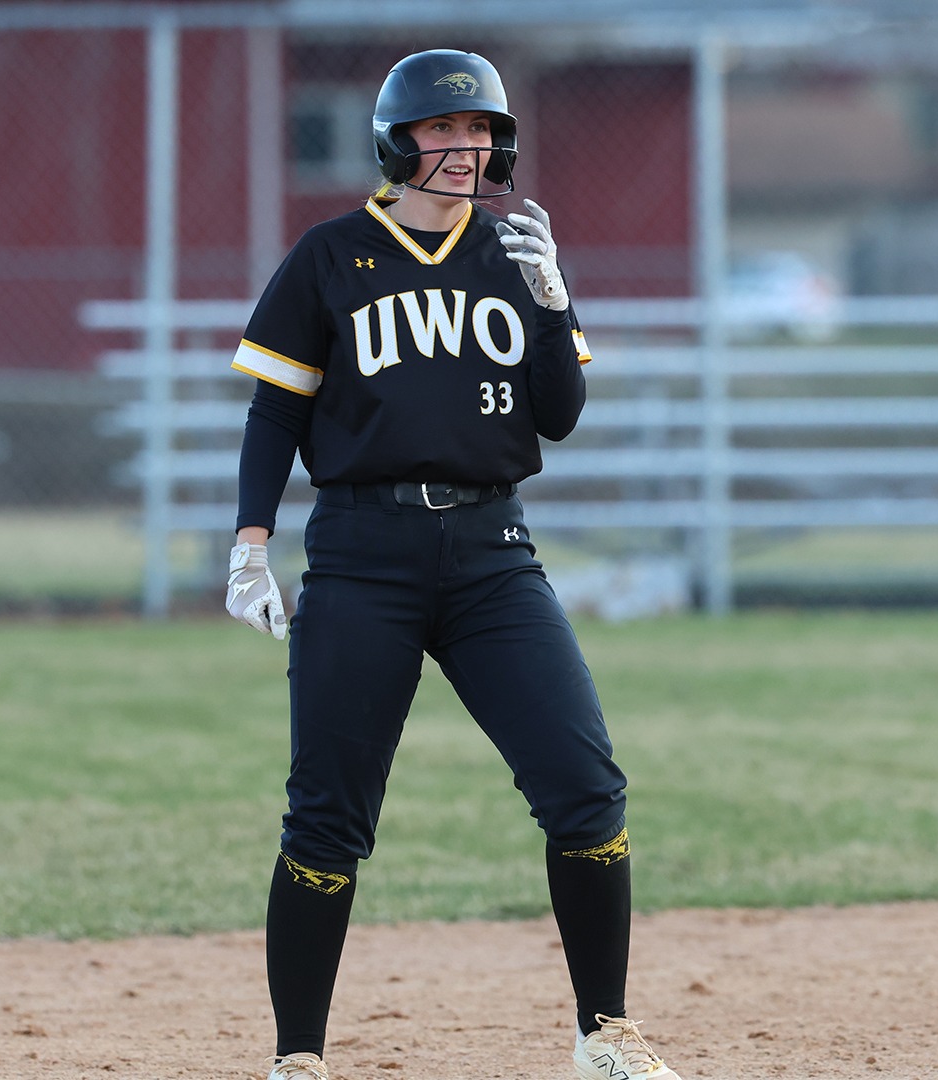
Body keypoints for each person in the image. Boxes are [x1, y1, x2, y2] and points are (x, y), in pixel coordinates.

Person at [224, 48, 682, 1080]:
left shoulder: (513, 253)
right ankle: (298, 1059)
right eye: (443, 130)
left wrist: (554, 302)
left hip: (491, 553)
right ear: (397, 142)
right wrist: (251, 544)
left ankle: (603, 1034)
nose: (465, 148)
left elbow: (558, 419)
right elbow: (274, 411)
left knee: (584, 785)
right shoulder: (332, 256)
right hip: (360, 556)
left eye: (479, 131)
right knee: (329, 816)